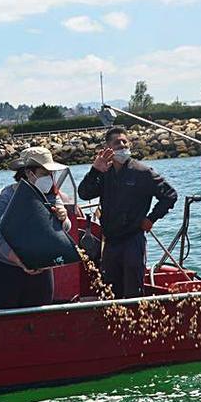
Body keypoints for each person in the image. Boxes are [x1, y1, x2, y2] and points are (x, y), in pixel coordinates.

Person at [77, 126, 178, 299]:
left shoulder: (142, 172)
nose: (122, 145)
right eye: (117, 143)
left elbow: (170, 195)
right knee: (109, 291)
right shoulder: (104, 174)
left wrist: (151, 218)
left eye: (125, 141)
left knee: (133, 291)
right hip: (110, 242)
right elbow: (84, 193)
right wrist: (95, 170)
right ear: (107, 148)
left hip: (133, 239)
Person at [0, 147, 71, 310]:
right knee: (2, 318)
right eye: (44, 173)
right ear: (28, 173)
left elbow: (64, 230)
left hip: (39, 263)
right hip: (0, 266)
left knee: (41, 313)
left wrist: (63, 218)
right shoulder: (3, 199)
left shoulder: (51, 195)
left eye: (51, 174)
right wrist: (20, 262)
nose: (50, 178)